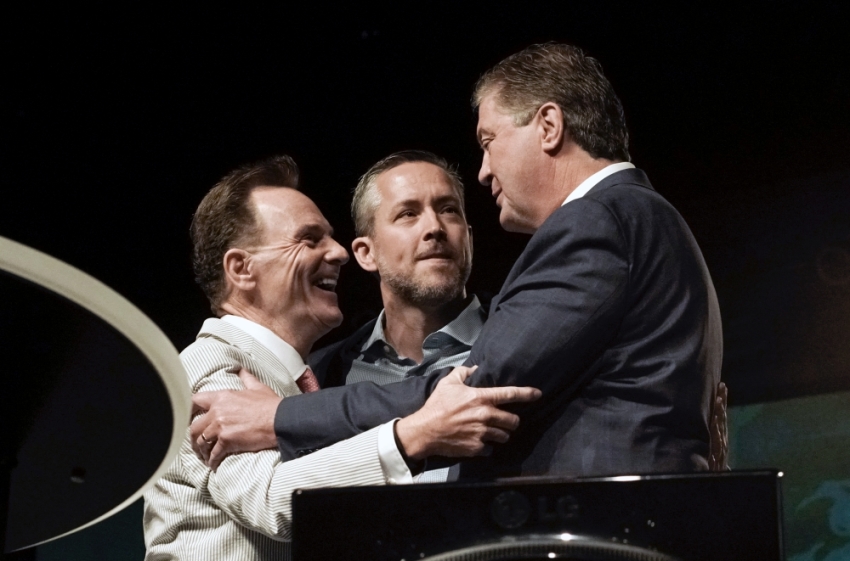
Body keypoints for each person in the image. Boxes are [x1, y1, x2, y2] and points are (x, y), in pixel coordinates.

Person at [193, 42, 723, 479]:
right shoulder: (633, 214)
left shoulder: (597, 220)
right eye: (406, 214)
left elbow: (477, 388)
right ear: (366, 250)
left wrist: (278, 417)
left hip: (595, 527)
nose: (486, 171)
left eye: (489, 142)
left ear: (548, 127)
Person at [143, 155, 540, 560]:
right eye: (309, 239)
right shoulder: (215, 365)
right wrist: (414, 435)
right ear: (242, 269)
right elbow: (270, 499)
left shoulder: (527, 342)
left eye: (449, 210)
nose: (337, 253)